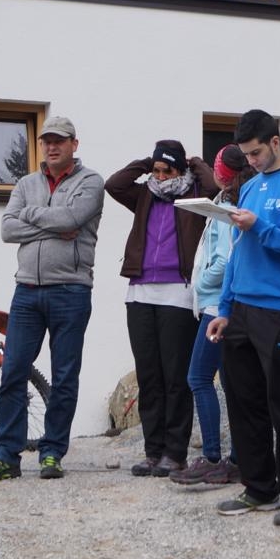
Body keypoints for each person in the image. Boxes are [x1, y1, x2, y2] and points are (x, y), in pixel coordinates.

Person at [207, 110, 280, 526]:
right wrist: (224, 309)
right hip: (240, 308)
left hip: (279, 308)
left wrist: (261, 227)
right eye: (246, 155)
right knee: (243, 402)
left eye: (256, 153)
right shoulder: (251, 187)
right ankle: (259, 488)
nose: (251, 161)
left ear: (275, 142)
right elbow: (238, 252)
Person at [0, 115, 105, 482]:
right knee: (13, 370)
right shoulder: (26, 183)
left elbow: (72, 219)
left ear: (74, 144)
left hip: (71, 291)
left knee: (64, 376)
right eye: (46, 141)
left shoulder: (91, 182)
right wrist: (51, 222)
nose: (51, 146)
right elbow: (7, 229)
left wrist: (31, 218)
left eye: (59, 141)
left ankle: (52, 453)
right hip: (27, 292)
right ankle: (6, 455)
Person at [105, 139, 218, 477]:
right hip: (139, 294)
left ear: (180, 170)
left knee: (175, 377)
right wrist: (146, 162)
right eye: (156, 170)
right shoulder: (144, 195)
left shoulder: (194, 197)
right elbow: (114, 184)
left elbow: (214, 185)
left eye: (167, 170)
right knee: (149, 376)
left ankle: (175, 453)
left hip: (178, 295)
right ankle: (153, 452)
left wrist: (194, 163)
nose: (160, 176)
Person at [172, 144, 249, 487]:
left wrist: (199, 284)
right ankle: (237, 458)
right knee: (231, 383)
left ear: (222, 174)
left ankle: (213, 456)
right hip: (225, 304)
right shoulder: (231, 202)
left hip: (218, 306)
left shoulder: (226, 209)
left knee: (199, 377)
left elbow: (223, 260)